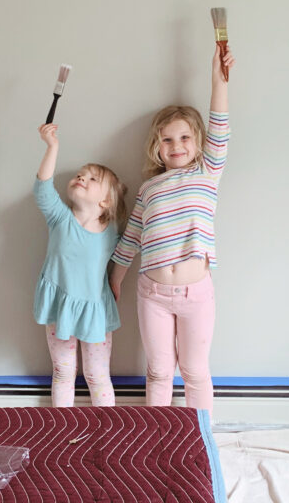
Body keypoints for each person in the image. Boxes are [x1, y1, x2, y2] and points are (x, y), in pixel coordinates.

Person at [109, 43, 235, 411]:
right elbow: (131, 238)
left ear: (197, 144)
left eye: (184, 138)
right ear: (156, 146)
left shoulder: (207, 174)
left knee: (194, 371)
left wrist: (219, 77)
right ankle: (159, 437)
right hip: (153, 294)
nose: (176, 145)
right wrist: (116, 278)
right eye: (167, 139)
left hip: (196, 294)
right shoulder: (149, 189)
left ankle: (201, 437)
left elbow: (220, 126)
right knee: (160, 372)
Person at [33, 123, 127, 407]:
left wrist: (117, 281)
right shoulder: (60, 218)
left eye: (92, 179)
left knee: (96, 374)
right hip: (59, 306)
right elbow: (42, 189)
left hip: (95, 310)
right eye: (79, 175)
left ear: (106, 201)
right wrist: (53, 147)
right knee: (63, 371)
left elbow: (129, 250)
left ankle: (105, 429)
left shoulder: (111, 231)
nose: (82, 178)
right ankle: (64, 430)